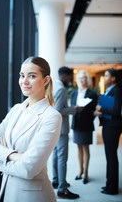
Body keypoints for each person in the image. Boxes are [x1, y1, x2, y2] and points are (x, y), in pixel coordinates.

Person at [0, 56, 62, 202]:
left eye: (32, 76)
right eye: (22, 75)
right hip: (7, 191)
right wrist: (15, 155)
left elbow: (29, 168)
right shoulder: (16, 109)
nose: (24, 81)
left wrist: (2, 162)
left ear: (45, 80)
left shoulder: (51, 116)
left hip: (32, 196)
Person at [52, 66, 80, 200]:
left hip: (55, 128)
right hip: (61, 129)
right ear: (65, 77)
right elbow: (58, 110)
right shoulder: (62, 89)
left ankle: (56, 180)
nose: (70, 81)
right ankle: (62, 189)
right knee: (62, 158)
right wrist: (73, 109)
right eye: (70, 78)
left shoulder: (53, 86)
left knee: (56, 155)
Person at [94, 68, 122, 195]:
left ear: (113, 78)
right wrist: (99, 111)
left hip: (113, 127)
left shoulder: (117, 90)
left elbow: (116, 111)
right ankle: (109, 184)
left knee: (111, 157)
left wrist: (101, 108)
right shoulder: (108, 90)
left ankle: (113, 188)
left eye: (106, 76)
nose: (104, 78)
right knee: (109, 157)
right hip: (107, 125)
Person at [71, 70, 97, 184]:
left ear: (87, 80)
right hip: (76, 123)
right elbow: (71, 107)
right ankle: (80, 171)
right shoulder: (74, 93)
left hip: (86, 124)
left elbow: (94, 111)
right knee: (79, 148)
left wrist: (90, 116)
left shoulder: (92, 94)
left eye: (84, 78)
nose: (82, 80)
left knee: (86, 148)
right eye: (80, 78)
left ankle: (86, 173)